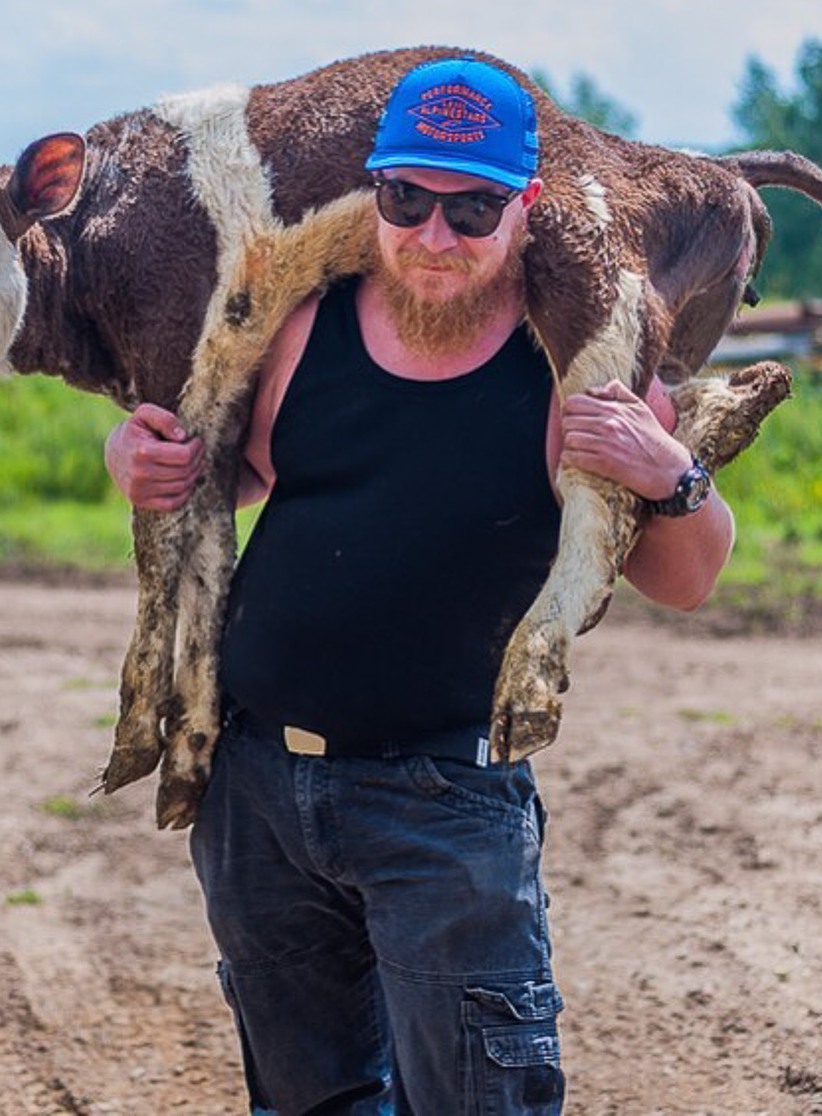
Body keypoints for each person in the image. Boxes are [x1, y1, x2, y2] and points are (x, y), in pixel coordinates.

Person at [105, 58, 734, 1115]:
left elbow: (690, 579)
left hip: (445, 808)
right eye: (407, 200)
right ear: (375, 191)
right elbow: (227, 474)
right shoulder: (302, 328)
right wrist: (136, 461)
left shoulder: (578, 368)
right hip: (257, 792)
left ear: (526, 206)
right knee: (307, 1101)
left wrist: (668, 471)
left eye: (473, 208)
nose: (435, 236)